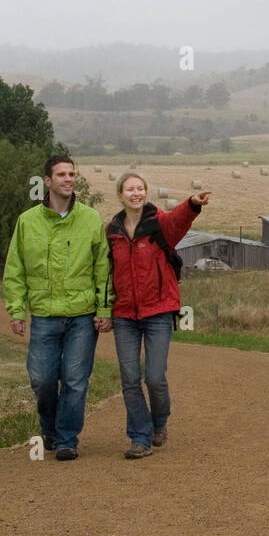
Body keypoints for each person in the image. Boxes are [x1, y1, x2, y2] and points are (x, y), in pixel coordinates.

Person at [2, 155, 113, 461]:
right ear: (47, 182)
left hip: (82, 315)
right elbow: (15, 268)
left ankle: (67, 439)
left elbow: (103, 270)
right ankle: (49, 430)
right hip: (44, 316)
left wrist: (104, 310)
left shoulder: (90, 219)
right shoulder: (27, 222)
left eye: (72, 174)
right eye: (61, 174)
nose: (68, 179)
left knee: (76, 379)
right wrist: (16, 310)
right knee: (42, 379)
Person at [107, 173, 210, 459]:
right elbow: (106, 274)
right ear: (120, 195)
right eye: (130, 189)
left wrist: (191, 203)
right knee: (129, 378)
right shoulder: (111, 231)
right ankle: (140, 437)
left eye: (140, 188)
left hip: (158, 311)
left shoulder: (160, 224)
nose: (136, 193)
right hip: (125, 314)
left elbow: (179, 219)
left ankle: (160, 421)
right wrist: (105, 309)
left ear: (146, 193)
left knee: (154, 377)